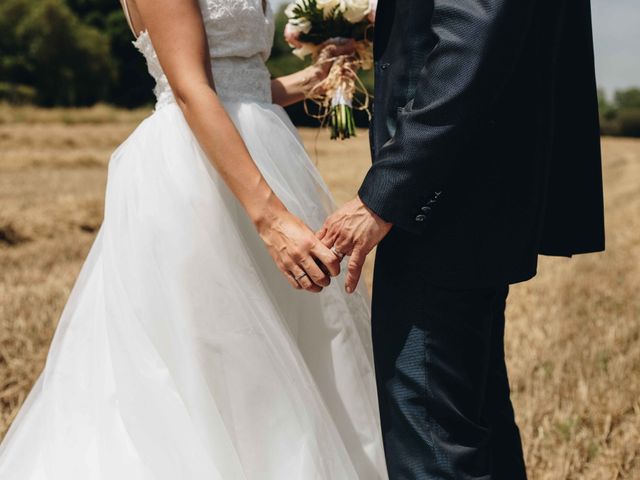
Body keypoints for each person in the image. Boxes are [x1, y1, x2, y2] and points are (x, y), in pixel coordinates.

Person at [0, 0, 389, 478]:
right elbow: (190, 90)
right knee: (218, 353)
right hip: (199, 177)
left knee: (293, 357)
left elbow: (242, 87)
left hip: (265, 153)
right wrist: (270, 218)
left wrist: (315, 76)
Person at [320, 0, 605, 478]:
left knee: (431, 437)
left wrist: (386, 194)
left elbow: (469, 42)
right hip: (481, 198)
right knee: (475, 421)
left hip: (445, 204)